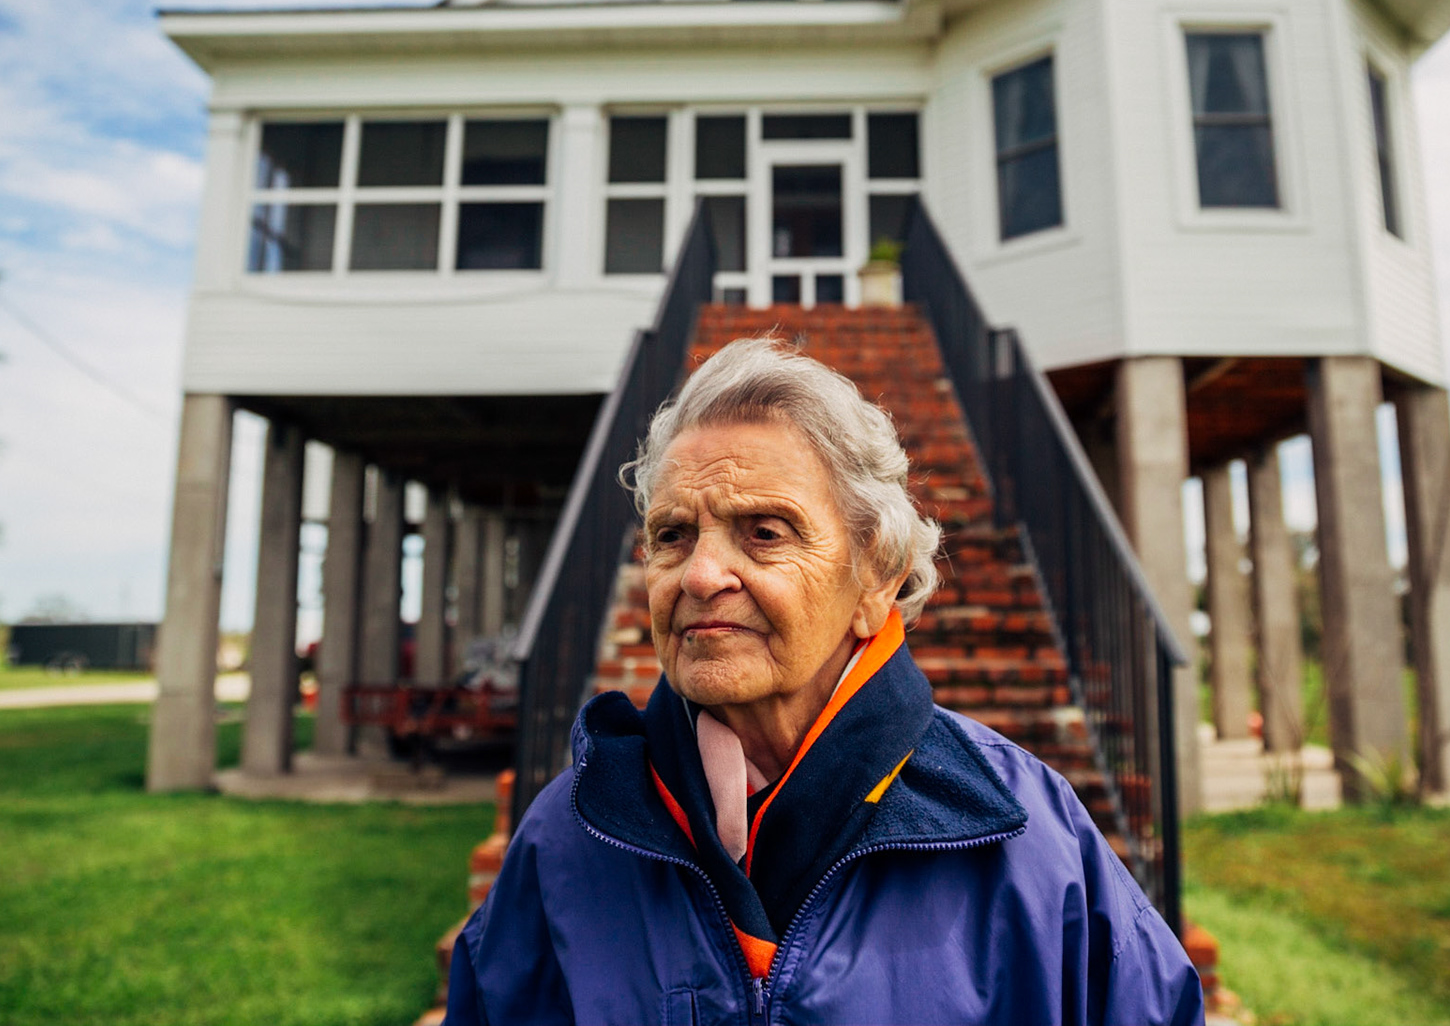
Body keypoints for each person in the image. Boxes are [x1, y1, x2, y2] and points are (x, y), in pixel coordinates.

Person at [446, 337, 1203, 1025]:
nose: (702, 574)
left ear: (876, 578)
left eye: (764, 532)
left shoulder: (1029, 841)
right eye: (672, 536)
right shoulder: (568, 835)